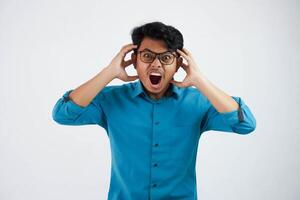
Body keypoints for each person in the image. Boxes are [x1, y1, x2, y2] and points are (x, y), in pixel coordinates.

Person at [52, 21, 256, 200]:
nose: (156, 64)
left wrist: (200, 80)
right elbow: (62, 113)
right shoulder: (111, 100)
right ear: (134, 60)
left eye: (166, 57)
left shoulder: (199, 103)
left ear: (178, 64)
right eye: (147, 56)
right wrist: (109, 72)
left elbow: (245, 124)